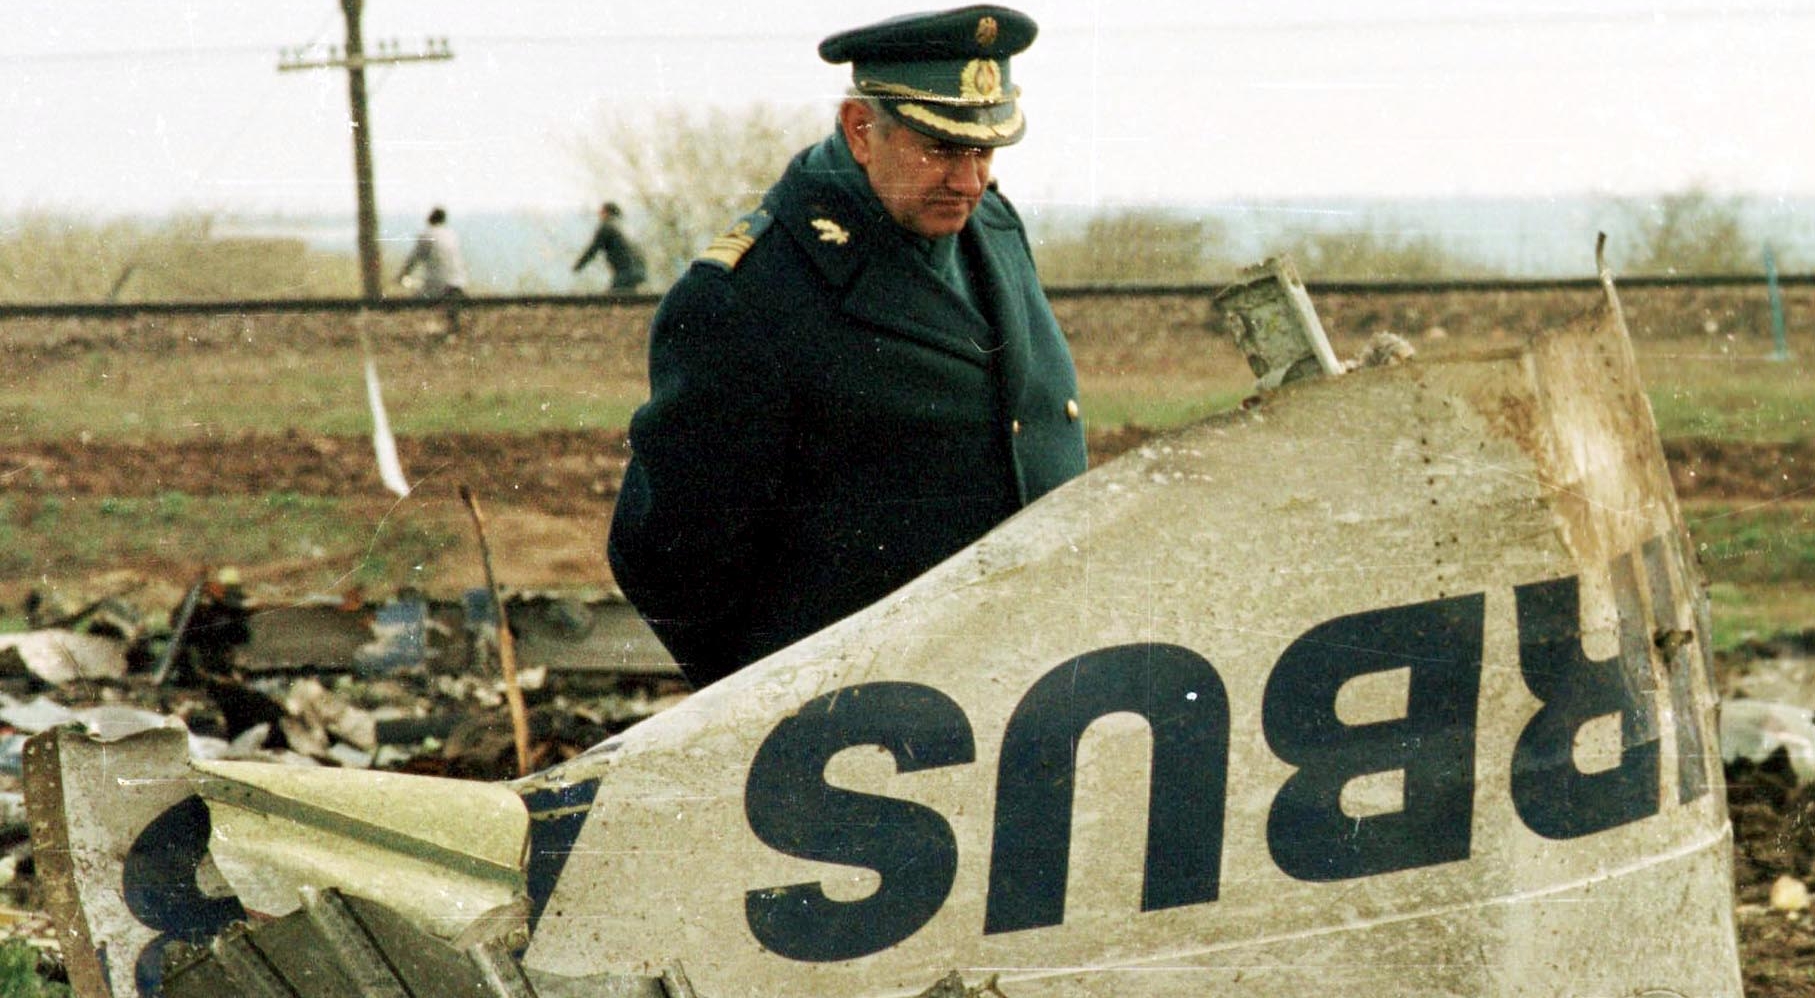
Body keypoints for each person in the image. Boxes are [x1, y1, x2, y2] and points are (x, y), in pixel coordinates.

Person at [607, 5, 1087, 688]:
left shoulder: (993, 229)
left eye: (983, 151)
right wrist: (775, 707)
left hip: (1025, 683)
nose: (969, 182)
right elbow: (668, 559)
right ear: (861, 130)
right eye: (941, 149)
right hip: (867, 715)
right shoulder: (750, 294)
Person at [573, 201, 648, 292]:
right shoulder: (624, 226)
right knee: (627, 296)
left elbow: (592, 250)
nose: (599, 216)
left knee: (613, 298)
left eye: (601, 212)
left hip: (625, 272)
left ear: (606, 213)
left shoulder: (606, 227)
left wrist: (578, 266)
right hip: (640, 269)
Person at [396, 206, 468, 298]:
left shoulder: (427, 235)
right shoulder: (452, 235)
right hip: (459, 284)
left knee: (413, 301)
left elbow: (413, 260)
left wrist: (401, 276)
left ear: (430, 219)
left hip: (437, 286)